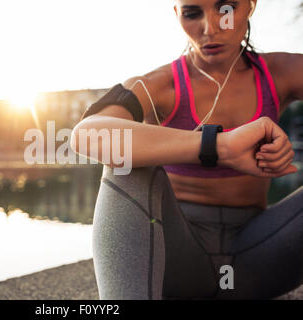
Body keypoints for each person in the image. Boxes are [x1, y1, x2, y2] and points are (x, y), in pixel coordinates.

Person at [70, 0, 302, 299]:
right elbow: (86, 135)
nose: (210, 28)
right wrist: (218, 147)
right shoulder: (158, 85)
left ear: (251, 5)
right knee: (123, 158)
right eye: (192, 13)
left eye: (226, 8)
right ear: (177, 14)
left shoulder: (282, 71)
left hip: (260, 258)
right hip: (177, 265)